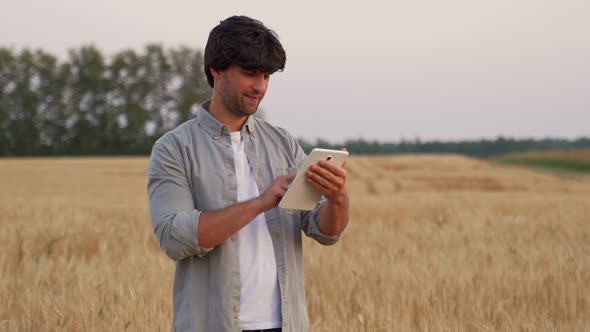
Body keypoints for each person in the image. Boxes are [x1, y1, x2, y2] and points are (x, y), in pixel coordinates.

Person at [147, 15, 349, 332]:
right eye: (250, 73)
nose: (260, 86)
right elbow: (175, 237)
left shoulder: (283, 142)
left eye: (267, 76)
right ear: (216, 69)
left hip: (287, 324)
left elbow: (323, 231)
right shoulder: (174, 149)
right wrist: (260, 202)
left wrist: (337, 199)